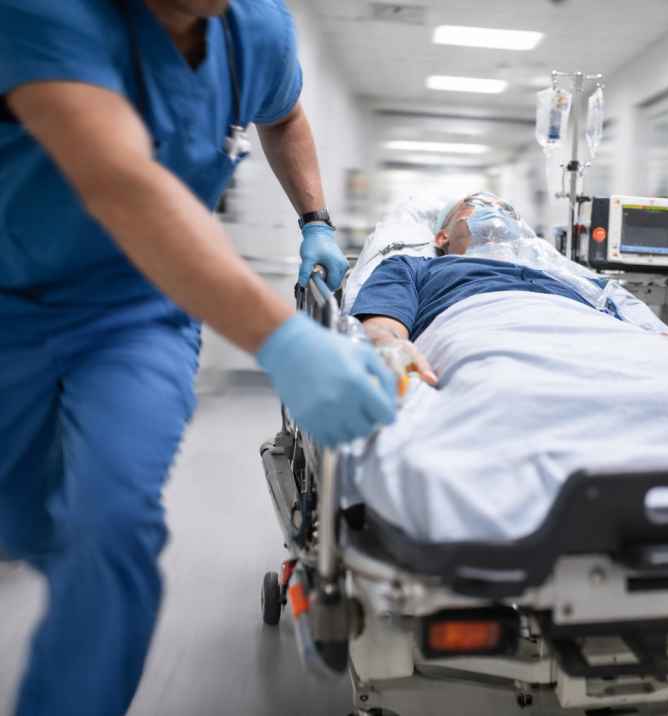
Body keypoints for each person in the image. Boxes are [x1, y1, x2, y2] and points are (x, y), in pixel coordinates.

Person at [0, 1, 397, 714]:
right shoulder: (45, 11)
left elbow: (284, 114)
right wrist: (284, 337)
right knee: (23, 525)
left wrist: (316, 222)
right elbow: (120, 181)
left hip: (141, 311)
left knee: (111, 519)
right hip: (11, 301)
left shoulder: (257, 29)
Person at [354, 192, 668, 362]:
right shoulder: (412, 266)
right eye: (476, 205)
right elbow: (382, 328)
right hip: (483, 337)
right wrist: (387, 348)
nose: (494, 211)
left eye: (504, 209)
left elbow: (626, 311)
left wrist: (659, 343)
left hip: (597, 342)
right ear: (441, 237)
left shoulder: (561, 274)